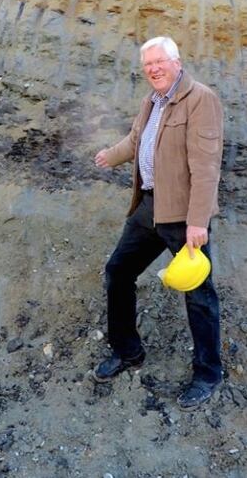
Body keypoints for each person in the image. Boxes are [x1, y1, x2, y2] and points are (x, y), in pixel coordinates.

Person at [92, 36, 224, 410]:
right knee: (118, 272)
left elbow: (206, 165)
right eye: (147, 64)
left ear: (176, 62)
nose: (153, 69)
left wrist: (198, 220)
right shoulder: (152, 100)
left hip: (183, 216)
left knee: (199, 295)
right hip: (149, 208)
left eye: (159, 62)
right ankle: (128, 351)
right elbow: (137, 141)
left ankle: (208, 373)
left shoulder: (201, 99)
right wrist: (110, 156)